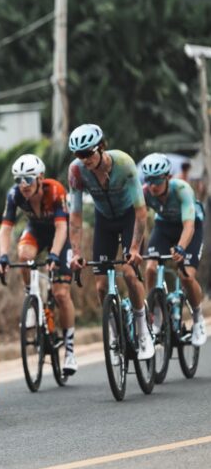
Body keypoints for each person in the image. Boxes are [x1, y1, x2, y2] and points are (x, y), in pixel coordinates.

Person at [66, 124, 154, 360]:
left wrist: (134, 248)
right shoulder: (76, 171)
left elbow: (141, 211)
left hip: (128, 217)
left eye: (88, 153)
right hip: (104, 220)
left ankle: (143, 329)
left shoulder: (124, 163)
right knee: (101, 286)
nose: (84, 159)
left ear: (101, 147)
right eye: (79, 154)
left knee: (129, 273)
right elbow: (75, 216)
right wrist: (76, 252)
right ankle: (114, 333)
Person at [0, 154, 78, 374]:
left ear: (40, 178)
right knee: (23, 256)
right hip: (36, 231)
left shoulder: (55, 190)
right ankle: (31, 297)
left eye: (28, 179)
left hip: (59, 235)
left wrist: (54, 255)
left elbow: (62, 228)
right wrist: (3, 256)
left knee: (61, 294)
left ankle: (70, 350)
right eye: (18, 179)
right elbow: (5, 229)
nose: (23, 184)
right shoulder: (14, 195)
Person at [141, 154, 206, 346]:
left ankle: (198, 318)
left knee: (186, 276)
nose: (153, 186)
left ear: (168, 177)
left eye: (157, 180)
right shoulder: (144, 193)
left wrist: (181, 248)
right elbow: (138, 220)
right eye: (149, 180)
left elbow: (189, 226)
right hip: (163, 227)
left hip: (190, 227)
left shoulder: (182, 190)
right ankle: (156, 314)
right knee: (150, 268)